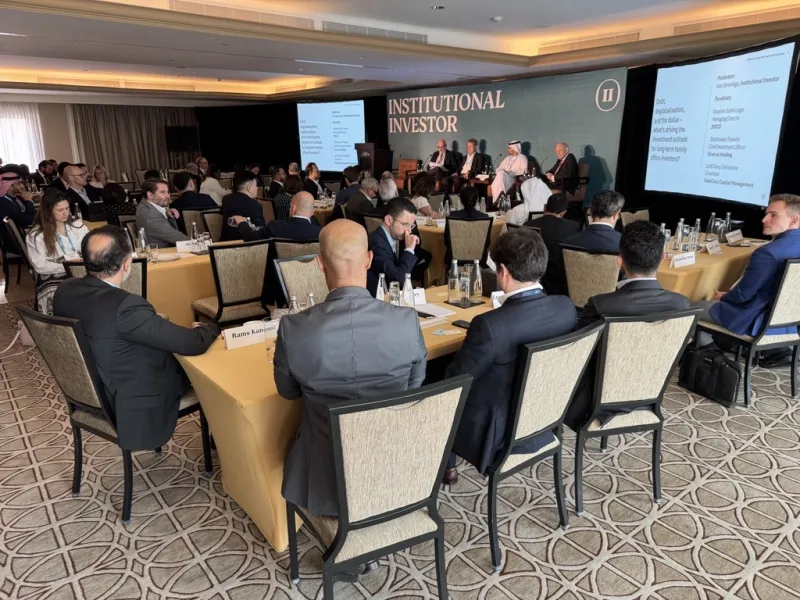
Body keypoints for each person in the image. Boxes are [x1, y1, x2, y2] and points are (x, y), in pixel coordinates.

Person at [277, 219, 427, 521]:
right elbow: (414, 386)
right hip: (394, 468)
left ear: (320, 263)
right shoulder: (406, 321)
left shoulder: (293, 328)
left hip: (324, 477)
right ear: (369, 260)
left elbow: (288, 392)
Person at [53, 226, 219, 451]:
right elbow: (190, 343)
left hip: (89, 390)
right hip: (127, 400)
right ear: (126, 264)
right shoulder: (126, 306)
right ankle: (223, 442)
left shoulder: (65, 290)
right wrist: (209, 328)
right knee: (207, 367)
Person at [444, 227, 577, 483]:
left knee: (435, 378)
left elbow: (456, 381)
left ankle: (445, 466)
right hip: (546, 417)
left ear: (503, 271)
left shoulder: (490, 325)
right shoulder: (566, 308)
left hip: (496, 433)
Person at [563, 220, 690, 430]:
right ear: (662, 258)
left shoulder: (601, 305)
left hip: (594, 403)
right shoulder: (682, 305)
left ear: (619, 261)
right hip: (648, 394)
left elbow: (577, 352)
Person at [696, 194, 800, 347]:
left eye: (773, 215)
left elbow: (742, 296)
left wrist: (723, 297)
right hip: (789, 322)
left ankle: (711, 353)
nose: (764, 220)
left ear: (794, 220)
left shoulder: (767, 253)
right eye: (766, 214)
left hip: (754, 320)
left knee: (686, 309)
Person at [25, 189, 89, 314]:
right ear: (48, 211)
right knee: (65, 293)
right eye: (60, 210)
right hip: (53, 273)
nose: (65, 213)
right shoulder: (36, 235)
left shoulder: (78, 226)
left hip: (82, 269)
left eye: (67, 208)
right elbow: (40, 266)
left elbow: (90, 249)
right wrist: (70, 266)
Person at [367, 197, 428, 295]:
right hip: (380, 298)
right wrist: (409, 249)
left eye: (411, 226)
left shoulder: (392, 237)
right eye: (405, 225)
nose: (409, 231)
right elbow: (398, 280)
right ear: (389, 220)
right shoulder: (377, 243)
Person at [525, 193, 578, 296]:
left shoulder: (528, 225)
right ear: (563, 213)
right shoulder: (572, 227)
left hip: (532, 278)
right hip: (561, 282)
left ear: (545, 207)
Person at [232, 191, 320, 242]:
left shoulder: (275, 227)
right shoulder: (320, 234)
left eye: (290, 206)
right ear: (312, 212)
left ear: (293, 208)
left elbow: (250, 238)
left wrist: (242, 223)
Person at [135, 179, 188, 248]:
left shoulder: (143, 205)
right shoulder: (151, 215)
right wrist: (199, 242)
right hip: (164, 252)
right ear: (150, 195)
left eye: (167, 192)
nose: (168, 196)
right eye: (162, 192)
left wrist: (165, 212)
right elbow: (178, 238)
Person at [0, 165, 36, 253]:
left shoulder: (15, 198)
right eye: (19, 183)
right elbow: (29, 220)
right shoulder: (4, 203)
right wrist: (29, 201)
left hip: (24, 235)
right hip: (17, 243)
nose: (23, 186)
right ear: (10, 186)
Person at [221, 171, 266, 241]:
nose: (257, 188)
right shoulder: (254, 205)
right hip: (244, 244)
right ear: (249, 188)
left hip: (224, 243)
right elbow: (261, 231)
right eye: (256, 185)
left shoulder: (226, 199)